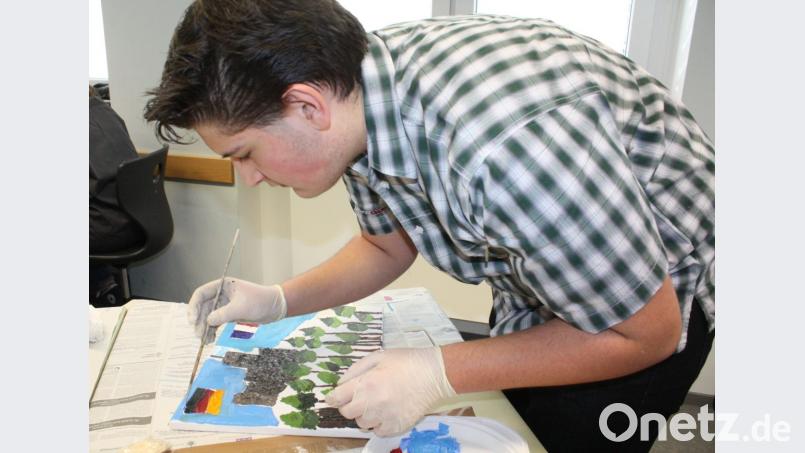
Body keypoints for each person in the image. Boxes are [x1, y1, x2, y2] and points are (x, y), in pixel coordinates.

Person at [144, 1, 714, 450]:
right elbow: (384, 245)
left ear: (307, 107)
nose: (248, 179)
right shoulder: (359, 101)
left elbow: (644, 333)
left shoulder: (503, 148)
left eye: (244, 153)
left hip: (660, 290)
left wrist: (438, 371)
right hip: (551, 269)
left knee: (566, 435)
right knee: (515, 413)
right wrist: (277, 299)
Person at [90, 86, 144, 306]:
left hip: (106, 228)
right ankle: (102, 284)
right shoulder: (107, 113)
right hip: (137, 219)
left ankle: (99, 284)